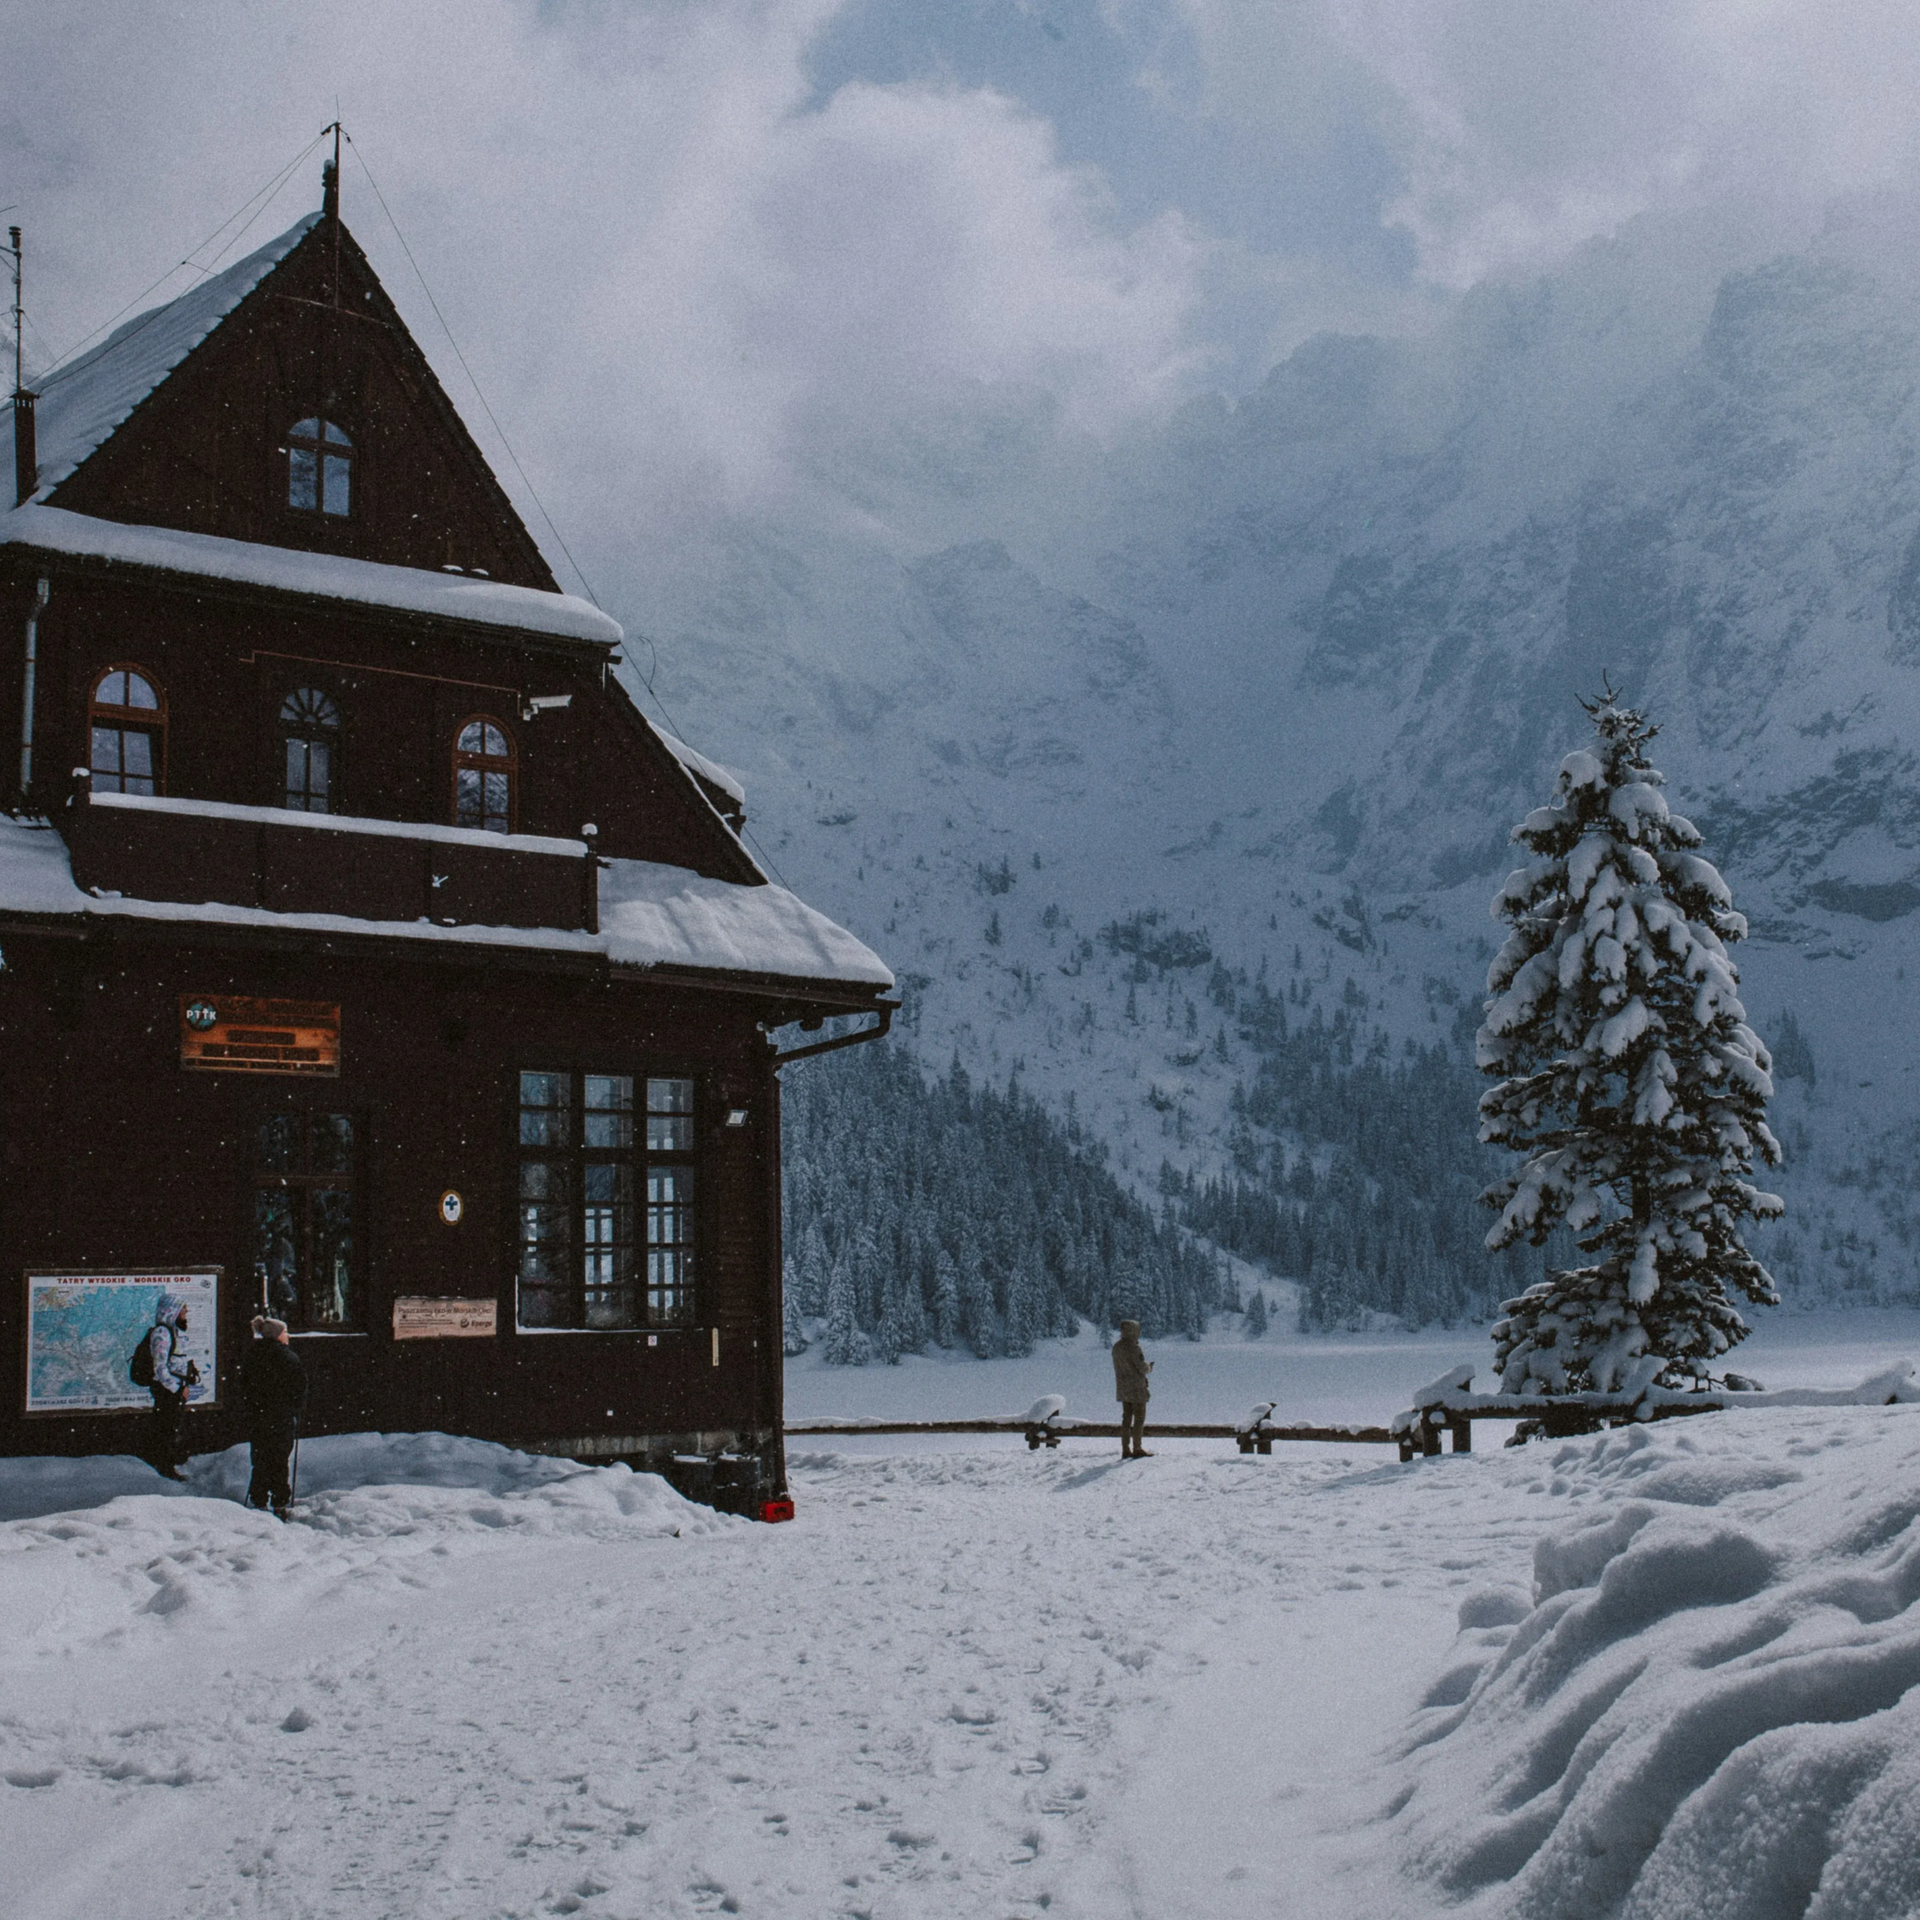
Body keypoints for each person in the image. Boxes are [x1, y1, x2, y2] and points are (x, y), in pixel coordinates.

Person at [241, 1315, 308, 1517]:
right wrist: (297, 1407)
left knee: (261, 1457)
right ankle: (279, 1501)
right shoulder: (288, 1358)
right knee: (279, 1459)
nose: (287, 1336)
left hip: (258, 1416)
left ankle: (258, 1498)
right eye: (285, 1332)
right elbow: (300, 1387)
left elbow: (245, 1386)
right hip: (280, 1416)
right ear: (278, 1335)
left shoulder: (253, 1355)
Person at [145, 1292, 199, 1481]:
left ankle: (168, 1464)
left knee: (172, 1426)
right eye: (182, 1307)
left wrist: (189, 1373)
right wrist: (177, 1388)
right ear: (172, 1310)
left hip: (174, 1389)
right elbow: (160, 1368)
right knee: (166, 1427)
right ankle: (164, 1469)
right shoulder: (162, 1333)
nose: (186, 1311)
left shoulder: (174, 1331)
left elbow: (176, 1360)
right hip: (167, 1391)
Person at [1112, 1318, 1153, 1458]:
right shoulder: (1134, 1348)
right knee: (1139, 1418)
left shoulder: (1116, 1347)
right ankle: (1137, 1447)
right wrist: (1148, 1367)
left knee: (1126, 1418)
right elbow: (1141, 1367)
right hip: (1137, 1388)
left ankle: (1125, 1448)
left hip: (1123, 1387)